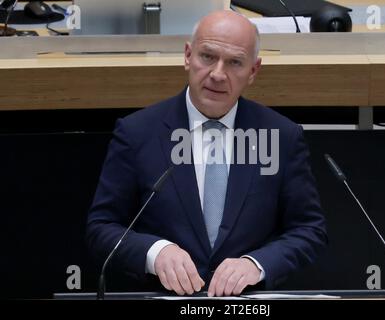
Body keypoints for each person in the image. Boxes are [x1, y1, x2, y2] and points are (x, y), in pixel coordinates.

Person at [86, 10, 327, 297]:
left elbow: (309, 230)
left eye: (235, 62)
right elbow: (101, 227)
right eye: (207, 57)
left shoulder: (281, 136)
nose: (217, 74)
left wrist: (257, 264)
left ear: (253, 71)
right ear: (188, 56)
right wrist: (156, 252)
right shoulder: (137, 133)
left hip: (248, 303)